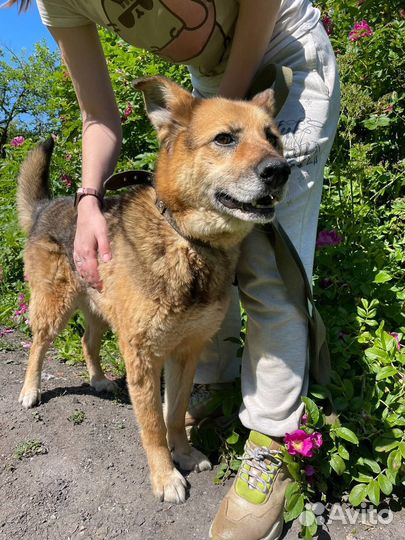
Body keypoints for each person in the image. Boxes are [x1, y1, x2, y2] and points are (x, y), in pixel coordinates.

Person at [7, 1, 340, 538]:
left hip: (282, 49)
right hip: (207, 88)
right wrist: (89, 197)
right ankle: (170, 426)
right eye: (230, 142)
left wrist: (214, 121)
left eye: (266, 145)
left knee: (272, 276)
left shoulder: (234, 128)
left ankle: (270, 447)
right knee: (133, 327)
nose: (269, 159)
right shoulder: (58, 2)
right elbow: (99, 116)